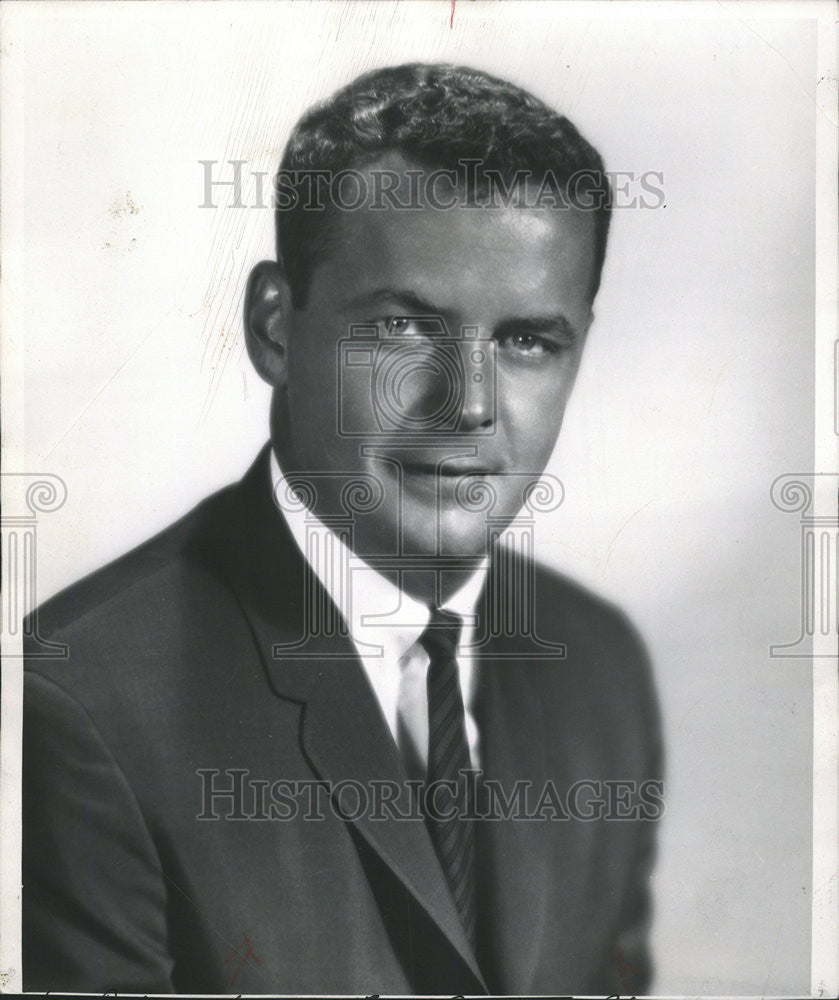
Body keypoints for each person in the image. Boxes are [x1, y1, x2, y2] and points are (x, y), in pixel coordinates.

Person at [23, 62, 663, 995]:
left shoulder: (599, 668)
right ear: (276, 327)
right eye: (406, 328)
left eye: (527, 340)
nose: (469, 407)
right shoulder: (77, 713)